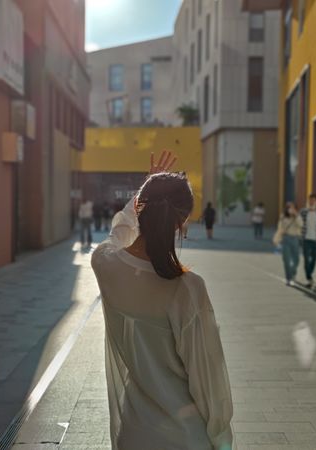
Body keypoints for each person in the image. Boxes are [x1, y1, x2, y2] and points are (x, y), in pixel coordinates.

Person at [91, 151, 236, 450]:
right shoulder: (187, 289)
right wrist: (223, 440)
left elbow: (119, 232)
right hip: (185, 438)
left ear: (142, 210)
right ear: (180, 224)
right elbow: (209, 382)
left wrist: (144, 192)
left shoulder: (104, 263)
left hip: (132, 435)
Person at [300, 193, 316, 288]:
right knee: (306, 259)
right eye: (310, 200)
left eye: (313, 200)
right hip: (306, 239)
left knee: (314, 259)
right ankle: (309, 277)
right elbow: (298, 223)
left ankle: (309, 274)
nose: (311, 202)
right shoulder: (303, 212)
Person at [274, 202, 303, 286]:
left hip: (295, 239)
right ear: (286, 209)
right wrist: (277, 239)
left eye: (293, 208)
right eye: (289, 208)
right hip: (286, 239)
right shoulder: (283, 216)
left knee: (296, 260)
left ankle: (293, 273)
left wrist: (296, 215)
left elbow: (301, 224)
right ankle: (288, 278)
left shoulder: (298, 216)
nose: (291, 209)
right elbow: (279, 228)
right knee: (286, 260)